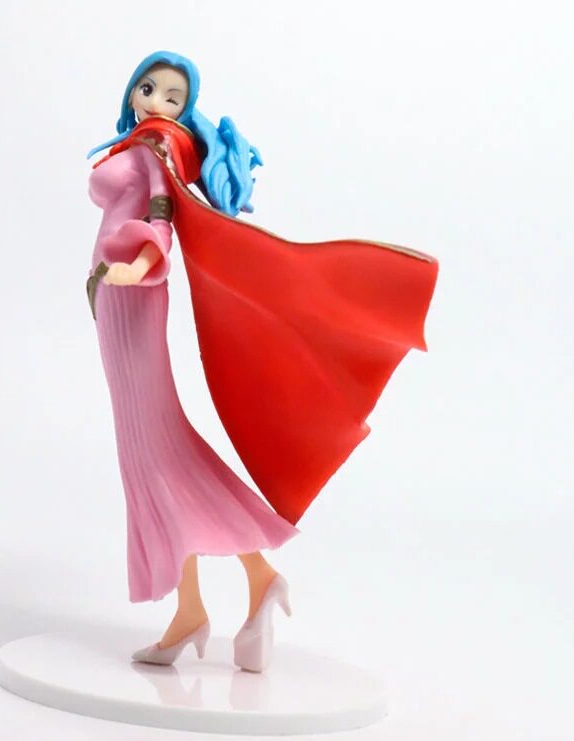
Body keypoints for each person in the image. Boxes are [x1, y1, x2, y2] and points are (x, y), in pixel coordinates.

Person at [86, 51, 438, 672]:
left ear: (184, 111)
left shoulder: (158, 147)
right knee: (150, 452)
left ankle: (241, 583)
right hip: (114, 304)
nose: (156, 101)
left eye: (172, 97)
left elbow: (161, 217)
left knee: (154, 450)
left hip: (131, 295)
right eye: (149, 88)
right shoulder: (140, 142)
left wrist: (137, 267)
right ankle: (208, 601)